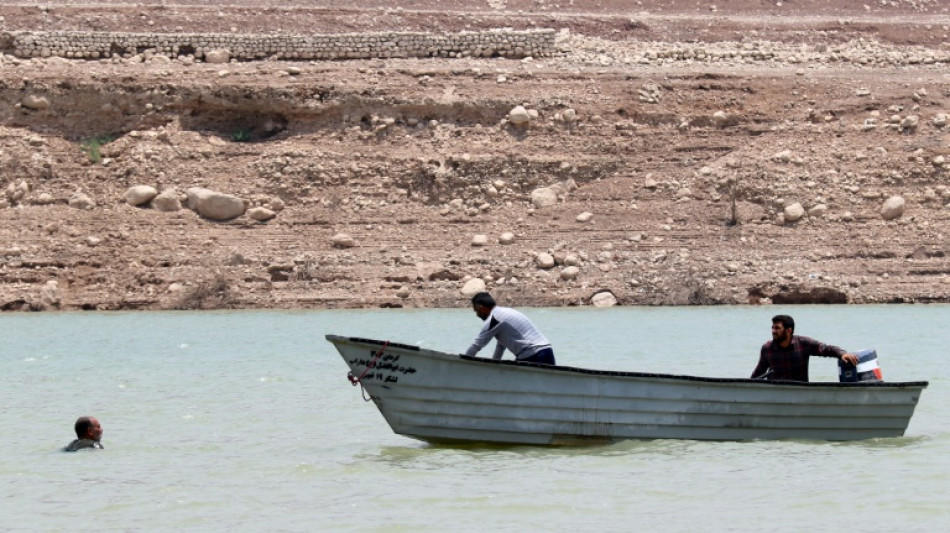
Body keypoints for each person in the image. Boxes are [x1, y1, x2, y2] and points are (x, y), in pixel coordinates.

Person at [751, 314, 859, 382]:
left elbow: (827, 349)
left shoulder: (803, 343)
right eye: (772, 328)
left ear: (789, 330)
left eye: (777, 328)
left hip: (800, 394)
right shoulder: (767, 349)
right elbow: (758, 374)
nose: (773, 331)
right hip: (776, 396)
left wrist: (842, 354)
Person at [464, 292, 556, 365]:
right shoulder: (504, 312)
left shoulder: (494, 319)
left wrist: (463, 365)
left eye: (476, 311)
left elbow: (477, 345)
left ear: (482, 308)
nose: (477, 315)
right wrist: (494, 366)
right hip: (545, 351)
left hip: (535, 355)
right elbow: (500, 346)